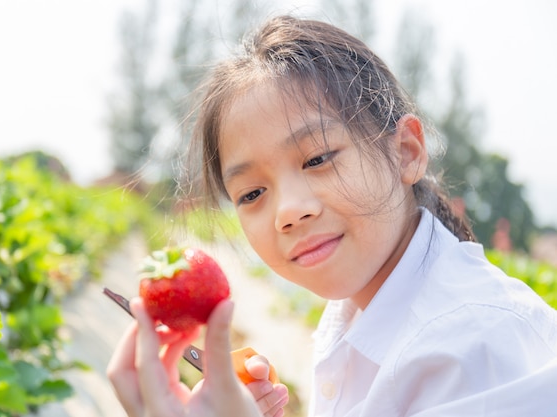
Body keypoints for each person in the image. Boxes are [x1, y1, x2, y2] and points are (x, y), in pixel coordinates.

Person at [107, 14, 557, 417]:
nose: (287, 211)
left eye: (318, 159)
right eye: (252, 193)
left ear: (405, 152)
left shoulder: (468, 347)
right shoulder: (354, 311)